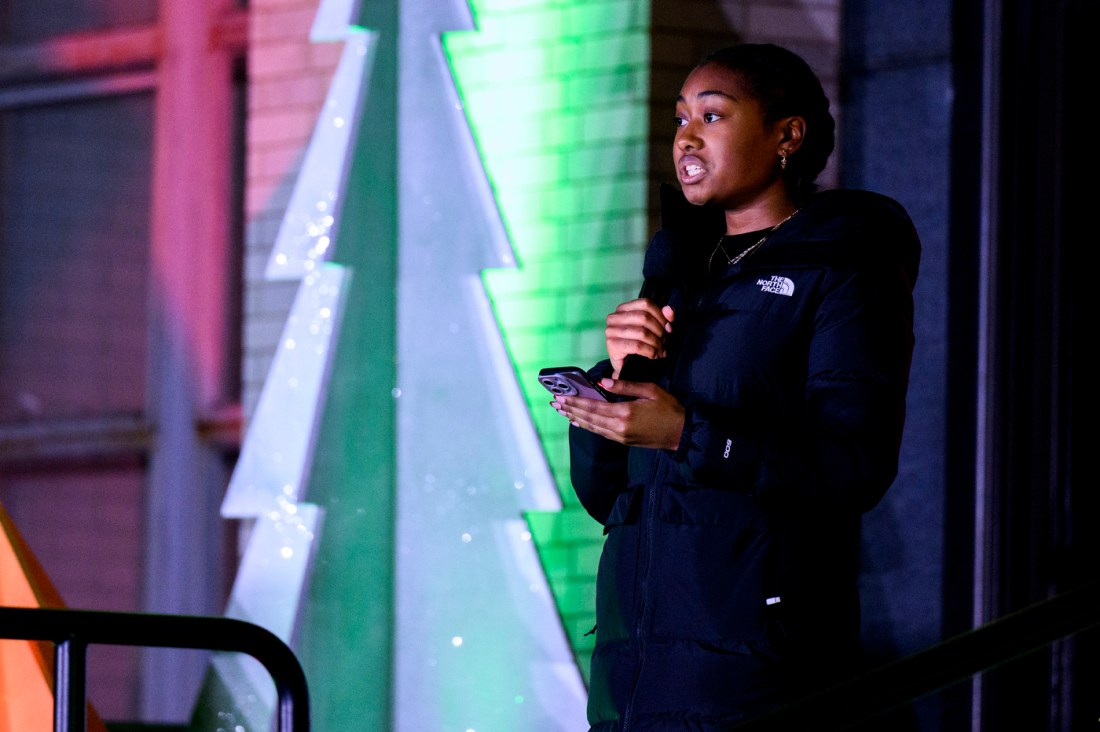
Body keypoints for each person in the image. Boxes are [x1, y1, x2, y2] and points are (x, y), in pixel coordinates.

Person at [550, 42, 921, 730]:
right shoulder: (680, 279)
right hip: (636, 674)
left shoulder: (842, 270)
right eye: (681, 118)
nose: (687, 136)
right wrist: (608, 400)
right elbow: (613, 499)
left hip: (755, 674)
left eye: (714, 116)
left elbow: (854, 468)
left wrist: (688, 433)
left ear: (788, 135)